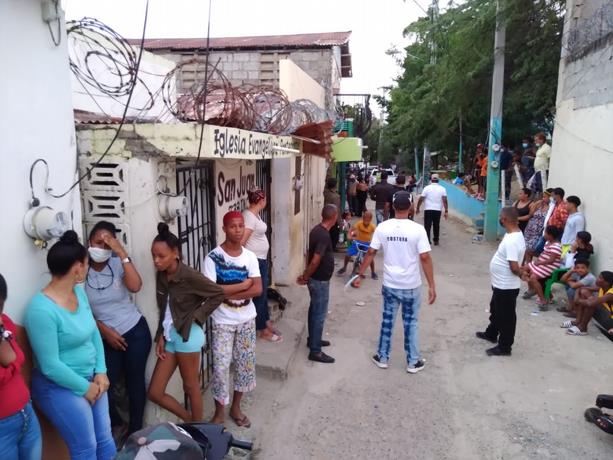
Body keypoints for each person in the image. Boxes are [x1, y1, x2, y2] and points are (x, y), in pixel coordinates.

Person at [25, 230, 116, 460]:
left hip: (91, 377)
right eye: (86, 263)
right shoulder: (41, 310)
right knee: (86, 448)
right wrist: (85, 388)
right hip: (58, 386)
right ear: (77, 267)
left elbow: (93, 332)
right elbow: (50, 365)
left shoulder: (78, 293)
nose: (88, 267)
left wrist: (101, 370)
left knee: (106, 442)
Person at [148, 223, 249, 423]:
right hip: (170, 336)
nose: (156, 261)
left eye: (161, 256)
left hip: (187, 336)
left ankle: (198, 431)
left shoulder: (189, 275)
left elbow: (217, 293)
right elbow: (165, 309)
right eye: (153, 256)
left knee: (191, 386)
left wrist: (197, 316)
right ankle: (192, 422)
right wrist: (161, 334)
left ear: (175, 253)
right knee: (155, 392)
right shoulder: (162, 275)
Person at [354, 192, 435, 372]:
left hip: (390, 284)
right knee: (411, 323)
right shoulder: (418, 230)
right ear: (411, 207)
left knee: (387, 320)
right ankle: (413, 362)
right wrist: (431, 285)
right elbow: (425, 257)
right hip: (411, 285)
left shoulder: (383, 227)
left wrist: (360, 274)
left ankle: (382, 357)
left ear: (392, 207)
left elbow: (371, 252)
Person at [85, 221, 151, 440]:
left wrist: (121, 252)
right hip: (104, 337)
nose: (102, 248)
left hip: (135, 331)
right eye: (98, 243)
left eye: (107, 244)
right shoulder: (81, 269)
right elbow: (80, 309)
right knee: (105, 383)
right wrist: (104, 331)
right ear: (89, 242)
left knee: (135, 382)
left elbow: (135, 286)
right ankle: (117, 424)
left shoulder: (117, 263)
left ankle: (135, 432)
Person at [204, 212, 262, 428]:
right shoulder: (213, 258)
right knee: (220, 368)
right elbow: (211, 292)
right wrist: (243, 285)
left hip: (247, 319)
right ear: (224, 229)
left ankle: (236, 408)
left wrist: (225, 291)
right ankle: (219, 412)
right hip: (222, 321)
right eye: (232, 226)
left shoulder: (250, 257)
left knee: (244, 366)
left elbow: (258, 289)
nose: (237, 230)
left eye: (240, 226)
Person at [0, 274, 42, 460]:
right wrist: (12, 365)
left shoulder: (5, 322)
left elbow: (17, 356)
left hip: (26, 414)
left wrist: (10, 364)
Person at [476, 207, 526, 356]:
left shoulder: (511, 240)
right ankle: (491, 333)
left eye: (500, 217)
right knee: (496, 310)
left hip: (506, 286)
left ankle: (505, 347)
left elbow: (514, 267)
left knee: (506, 317)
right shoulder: (514, 234)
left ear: (504, 220)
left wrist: (522, 274)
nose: (499, 219)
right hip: (500, 284)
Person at [297, 204, 338, 364]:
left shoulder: (316, 230)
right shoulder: (323, 235)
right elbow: (315, 260)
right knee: (319, 314)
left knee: (314, 309)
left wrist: (306, 275)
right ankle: (315, 351)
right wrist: (305, 276)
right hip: (319, 281)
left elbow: (310, 253)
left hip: (317, 279)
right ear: (334, 217)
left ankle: (313, 339)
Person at [241, 188, 281, 343]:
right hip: (255, 261)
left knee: (263, 294)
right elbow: (242, 241)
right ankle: (262, 329)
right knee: (259, 294)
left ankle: (266, 323)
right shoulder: (249, 217)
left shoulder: (255, 214)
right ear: (262, 200)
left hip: (261, 260)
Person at [521, 225, 563, 310]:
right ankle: (532, 289)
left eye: (545, 233)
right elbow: (544, 254)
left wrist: (539, 263)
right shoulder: (548, 243)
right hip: (542, 264)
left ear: (551, 235)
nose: (544, 235)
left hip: (549, 267)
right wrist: (538, 262)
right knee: (524, 269)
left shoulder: (556, 246)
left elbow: (551, 260)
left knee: (533, 277)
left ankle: (543, 300)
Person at [563, 271, 613, 336]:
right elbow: (583, 289)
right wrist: (578, 290)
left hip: (611, 322)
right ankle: (577, 321)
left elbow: (591, 303)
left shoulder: (611, 294)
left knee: (592, 302)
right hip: (606, 316)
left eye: (600, 278)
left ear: (607, 283)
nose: (597, 279)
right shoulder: (603, 288)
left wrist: (577, 300)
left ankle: (583, 328)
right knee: (585, 293)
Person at [337, 210, 377, 279]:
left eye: (368, 219)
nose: (366, 221)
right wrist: (349, 236)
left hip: (367, 243)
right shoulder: (359, 223)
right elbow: (351, 230)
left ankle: (373, 272)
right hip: (357, 242)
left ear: (370, 219)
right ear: (363, 218)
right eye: (364, 218)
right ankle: (344, 267)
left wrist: (374, 244)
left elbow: (377, 235)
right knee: (348, 254)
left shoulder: (372, 226)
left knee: (370, 258)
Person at [522, 188, 554, 266]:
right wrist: (536, 204)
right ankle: (523, 265)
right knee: (524, 249)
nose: (543, 198)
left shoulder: (551, 208)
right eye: (543, 197)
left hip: (538, 232)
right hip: (529, 229)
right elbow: (531, 214)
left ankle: (528, 266)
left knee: (530, 250)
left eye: (545, 197)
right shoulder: (539, 205)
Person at [416, 173, 448, 246]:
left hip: (428, 209)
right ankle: (436, 240)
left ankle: (427, 241)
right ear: (438, 180)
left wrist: (418, 208)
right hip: (437, 210)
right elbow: (445, 200)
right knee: (436, 225)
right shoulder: (442, 189)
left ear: (431, 180)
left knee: (427, 225)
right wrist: (446, 210)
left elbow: (421, 198)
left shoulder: (427, 188)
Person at [323, 177, 342, 249]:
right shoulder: (335, 196)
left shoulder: (326, 193)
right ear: (335, 185)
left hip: (326, 214)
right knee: (334, 234)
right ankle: (332, 248)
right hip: (333, 217)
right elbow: (337, 209)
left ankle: (329, 246)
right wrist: (339, 222)